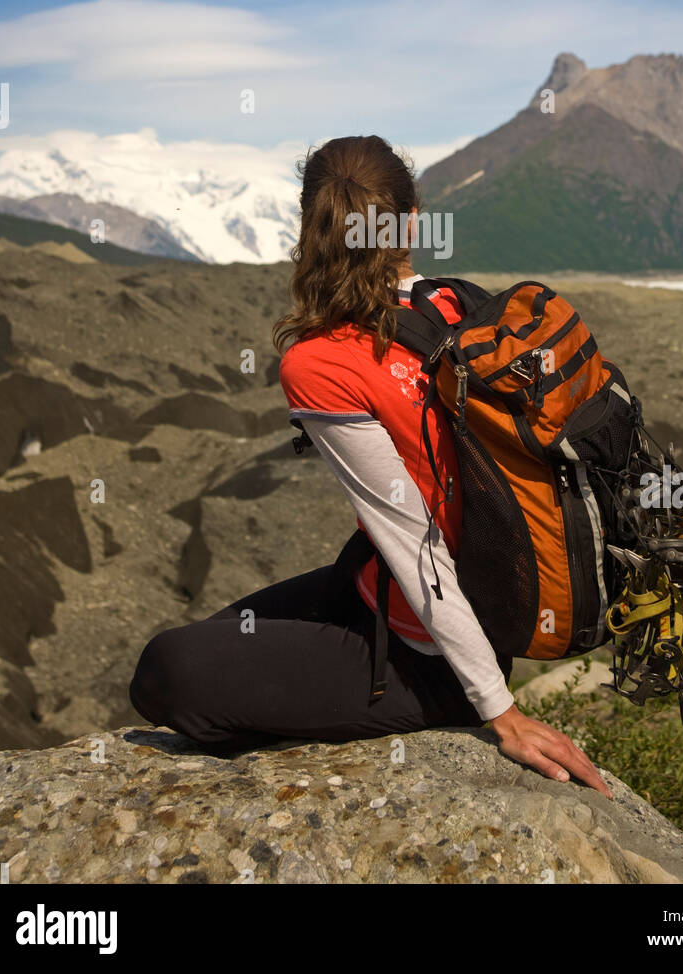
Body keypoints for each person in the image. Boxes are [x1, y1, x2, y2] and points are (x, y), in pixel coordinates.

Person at [129, 134, 611, 796]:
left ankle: (410, 705)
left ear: (309, 227)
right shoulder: (456, 306)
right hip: (420, 598)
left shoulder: (319, 363)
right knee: (218, 637)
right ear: (411, 220)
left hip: (430, 659)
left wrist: (498, 711)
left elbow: (415, 542)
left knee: (163, 674)